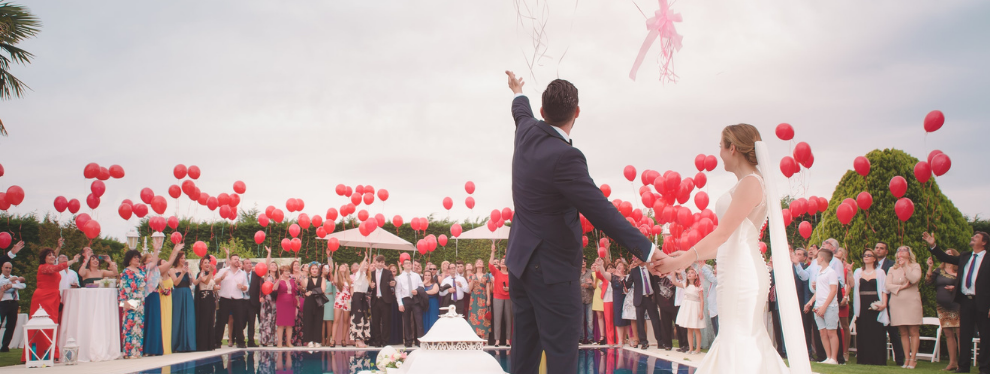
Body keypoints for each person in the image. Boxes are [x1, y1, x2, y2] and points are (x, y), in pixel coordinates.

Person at [503, 71, 661, 373]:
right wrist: (648, 251)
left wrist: (517, 90)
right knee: (562, 355)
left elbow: (519, 109)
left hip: (520, 264)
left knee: (523, 354)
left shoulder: (525, 131)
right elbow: (601, 212)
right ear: (577, 112)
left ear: (541, 111)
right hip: (552, 271)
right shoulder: (566, 157)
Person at [656, 124, 810, 374]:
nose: (719, 153)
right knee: (736, 336)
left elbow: (723, 234)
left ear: (733, 148)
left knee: (741, 337)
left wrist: (680, 262)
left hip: (743, 274)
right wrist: (684, 256)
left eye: (720, 146)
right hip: (733, 269)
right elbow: (725, 243)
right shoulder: (745, 183)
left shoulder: (751, 183)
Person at [924, 231, 989, 374]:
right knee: (965, 334)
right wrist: (933, 245)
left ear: (984, 242)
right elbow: (945, 257)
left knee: (985, 335)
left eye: (976, 237)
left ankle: (985, 368)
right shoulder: (965, 256)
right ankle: (963, 367)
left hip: (983, 301)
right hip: (966, 301)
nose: (973, 237)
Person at [886, 245, 923, 369]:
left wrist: (906, 266)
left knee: (913, 330)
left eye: (904, 250)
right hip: (897, 302)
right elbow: (887, 285)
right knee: (903, 332)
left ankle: (913, 358)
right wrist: (901, 287)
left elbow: (914, 279)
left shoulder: (915, 266)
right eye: (898, 250)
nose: (900, 252)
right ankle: (906, 358)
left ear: (909, 253)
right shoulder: (892, 268)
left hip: (911, 301)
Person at [143, 241, 182, 356]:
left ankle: (153, 349)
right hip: (145, 297)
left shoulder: (157, 270)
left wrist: (175, 251)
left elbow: (170, 263)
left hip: (154, 296)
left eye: (153, 258)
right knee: (145, 322)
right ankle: (144, 348)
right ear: (145, 261)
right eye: (150, 258)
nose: (153, 259)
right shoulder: (143, 270)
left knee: (154, 323)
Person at [852, 248, 889, 365]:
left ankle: (878, 359)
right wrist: (848, 272)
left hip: (876, 302)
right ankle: (864, 358)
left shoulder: (880, 272)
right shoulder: (858, 272)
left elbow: (884, 290)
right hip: (862, 304)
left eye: (869, 255)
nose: (866, 257)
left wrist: (883, 304)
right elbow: (852, 285)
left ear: (874, 258)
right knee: (863, 330)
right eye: (864, 255)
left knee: (877, 331)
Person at [803, 248, 839, 364]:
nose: (816, 259)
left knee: (831, 332)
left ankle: (834, 358)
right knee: (822, 332)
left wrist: (824, 306)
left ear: (822, 258)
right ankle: (828, 357)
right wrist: (810, 302)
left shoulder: (831, 272)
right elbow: (819, 290)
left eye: (818, 256)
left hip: (830, 306)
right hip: (818, 305)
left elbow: (833, 291)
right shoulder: (819, 272)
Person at [926, 250, 961, 371]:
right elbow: (928, 282)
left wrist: (955, 288)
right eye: (946, 253)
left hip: (957, 305)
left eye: (951, 253)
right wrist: (930, 267)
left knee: (960, 333)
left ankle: (962, 363)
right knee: (948, 334)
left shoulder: (960, 270)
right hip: (942, 306)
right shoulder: (938, 270)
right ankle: (952, 363)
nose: (948, 254)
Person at [874, 241, 905, 366]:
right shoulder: (870, 264)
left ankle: (900, 359)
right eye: (877, 248)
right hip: (874, 300)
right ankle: (876, 357)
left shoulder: (892, 265)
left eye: (881, 248)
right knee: (875, 331)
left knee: (892, 331)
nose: (878, 250)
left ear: (886, 251)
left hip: (889, 300)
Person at [214, 249, 249, 348]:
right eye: (235, 259)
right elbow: (214, 282)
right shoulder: (223, 271)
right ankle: (217, 342)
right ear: (230, 261)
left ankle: (240, 342)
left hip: (238, 299)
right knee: (221, 321)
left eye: (238, 259)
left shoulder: (242, 273)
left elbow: (246, 286)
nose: (237, 261)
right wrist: (221, 278)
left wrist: (242, 287)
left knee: (239, 321)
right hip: (225, 298)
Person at [628, 257, 665, 350]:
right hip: (640, 298)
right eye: (634, 258)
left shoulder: (650, 268)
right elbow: (628, 284)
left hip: (651, 297)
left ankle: (660, 341)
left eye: (637, 258)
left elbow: (657, 280)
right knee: (640, 321)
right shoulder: (634, 271)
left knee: (655, 320)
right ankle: (644, 342)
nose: (635, 259)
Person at [118, 250, 147, 359]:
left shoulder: (141, 270)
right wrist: (123, 301)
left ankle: (137, 351)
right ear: (129, 259)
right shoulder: (126, 271)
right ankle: (128, 352)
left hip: (140, 299)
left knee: (139, 325)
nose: (137, 259)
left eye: (138, 257)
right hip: (130, 298)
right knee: (129, 325)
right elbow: (123, 286)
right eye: (134, 257)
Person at [671, 266, 705, 354]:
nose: (689, 274)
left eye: (692, 273)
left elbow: (701, 299)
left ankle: (697, 348)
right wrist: (674, 272)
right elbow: (674, 282)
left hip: (695, 307)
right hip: (687, 307)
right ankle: (690, 348)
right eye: (688, 273)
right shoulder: (685, 285)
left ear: (696, 276)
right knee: (689, 328)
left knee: (696, 328)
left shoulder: (699, 286)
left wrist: (701, 311)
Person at [601, 259, 631, 347]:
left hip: (627, 299)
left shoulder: (627, 277)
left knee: (628, 319)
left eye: (621, 265)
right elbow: (603, 273)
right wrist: (601, 266)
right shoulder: (612, 277)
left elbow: (627, 288)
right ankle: (620, 340)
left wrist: (622, 278)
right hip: (617, 299)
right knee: (618, 318)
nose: (618, 266)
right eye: (618, 265)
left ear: (624, 268)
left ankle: (630, 338)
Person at [396, 259, 424, 347]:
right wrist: (400, 303)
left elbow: (421, 286)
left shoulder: (416, 276)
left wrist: (417, 290)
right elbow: (398, 291)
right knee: (407, 321)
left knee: (418, 320)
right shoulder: (399, 277)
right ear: (403, 265)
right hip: (406, 299)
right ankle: (408, 340)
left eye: (409, 263)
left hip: (415, 299)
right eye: (406, 263)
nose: (408, 265)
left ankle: (419, 340)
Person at [369, 255, 395, 347]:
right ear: (375, 262)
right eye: (378, 262)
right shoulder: (371, 273)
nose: (380, 264)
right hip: (375, 300)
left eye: (382, 262)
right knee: (375, 322)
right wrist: (370, 286)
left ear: (384, 263)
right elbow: (368, 286)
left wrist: (393, 283)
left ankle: (385, 341)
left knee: (386, 322)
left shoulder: (388, 273)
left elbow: (392, 281)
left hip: (385, 300)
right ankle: (377, 341)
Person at [489, 245, 511, 347]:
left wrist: (509, 289)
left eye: (504, 261)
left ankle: (507, 340)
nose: (502, 262)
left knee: (508, 319)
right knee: (497, 319)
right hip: (497, 297)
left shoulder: (511, 274)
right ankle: (497, 340)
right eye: (501, 261)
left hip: (508, 298)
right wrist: (492, 251)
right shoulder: (496, 272)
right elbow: (490, 264)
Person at [0, 261, 25, 352]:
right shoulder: (2, 278)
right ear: (2, 268)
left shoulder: (14, 278)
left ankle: (5, 346)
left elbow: (23, 285)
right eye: (6, 267)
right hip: (2, 303)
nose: (8, 270)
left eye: (9, 268)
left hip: (13, 303)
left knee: (11, 325)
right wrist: (9, 281)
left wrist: (11, 285)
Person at [192, 256, 216, 351]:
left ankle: (210, 344)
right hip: (203, 298)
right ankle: (203, 344)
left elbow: (212, 285)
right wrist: (211, 272)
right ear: (201, 265)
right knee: (204, 320)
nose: (207, 264)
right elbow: (205, 282)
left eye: (208, 262)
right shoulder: (200, 274)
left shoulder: (209, 274)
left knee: (211, 320)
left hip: (210, 297)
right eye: (205, 263)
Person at [302, 261, 327, 347]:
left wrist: (311, 292)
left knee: (318, 320)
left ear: (318, 270)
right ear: (310, 270)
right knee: (308, 320)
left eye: (316, 268)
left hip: (319, 302)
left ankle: (317, 341)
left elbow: (322, 290)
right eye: (312, 269)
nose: (314, 270)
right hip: (309, 302)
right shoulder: (307, 279)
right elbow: (304, 287)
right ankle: (309, 341)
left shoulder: (322, 279)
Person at [272, 264, 297, 347]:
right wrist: (279, 280)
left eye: (288, 271)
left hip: (291, 302)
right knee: (281, 323)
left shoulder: (292, 280)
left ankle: (288, 342)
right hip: (281, 302)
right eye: (285, 271)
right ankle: (279, 342)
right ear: (282, 272)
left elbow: (295, 292)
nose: (287, 272)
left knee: (290, 323)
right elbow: (274, 289)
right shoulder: (278, 280)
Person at [350, 251, 371, 348]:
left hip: (364, 298)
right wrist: (365, 258)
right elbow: (362, 267)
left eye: (367, 264)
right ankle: (357, 340)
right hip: (357, 296)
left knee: (365, 317)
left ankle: (362, 338)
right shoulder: (358, 274)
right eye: (364, 264)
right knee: (357, 317)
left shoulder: (367, 277)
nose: (366, 265)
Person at [467, 259, 491, 340]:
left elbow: (487, 288)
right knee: (474, 316)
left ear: (483, 265)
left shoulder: (486, 275)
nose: (479, 263)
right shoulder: (471, 275)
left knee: (482, 317)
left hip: (483, 297)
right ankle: (474, 337)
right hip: (474, 297)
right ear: (475, 265)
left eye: (481, 262)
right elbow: (469, 289)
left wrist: (488, 299)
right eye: (477, 262)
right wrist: (472, 280)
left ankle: (483, 338)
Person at [259, 248, 277, 347]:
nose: (274, 266)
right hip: (267, 302)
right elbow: (266, 265)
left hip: (276, 302)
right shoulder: (267, 276)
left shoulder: (278, 278)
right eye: (272, 265)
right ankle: (265, 339)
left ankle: (274, 340)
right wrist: (269, 253)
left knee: (274, 321)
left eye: (275, 265)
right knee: (266, 320)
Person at [244, 258, 262, 348]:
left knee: (252, 322)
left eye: (250, 263)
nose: (249, 265)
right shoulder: (240, 274)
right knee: (241, 323)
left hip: (253, 302)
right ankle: (239, 340)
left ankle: (251, 341)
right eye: (246, 263)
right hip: (242, 301)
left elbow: (261, 286)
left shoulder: (256, 275)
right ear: (243, 265)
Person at [331, 263, 350, 347]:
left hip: (348, 301)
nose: (343, 267)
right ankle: (333, 340)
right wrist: (335, 269)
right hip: (339, 300)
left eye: (344, 266)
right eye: (341, 266)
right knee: (336, 320)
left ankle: (343, 339)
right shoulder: (337, 278)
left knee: (346, 321)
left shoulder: (349, 279)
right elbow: (335, 281)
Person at [158, 259, 174, 355]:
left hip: (169, 300)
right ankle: (162, 346)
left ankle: (168, 346)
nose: (166, 264)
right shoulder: (159, 277)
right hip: (162, 299)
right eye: (163, 263)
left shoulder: (169, 275)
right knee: (163, 321)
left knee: (168, 322)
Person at [699, 263, 718, 336]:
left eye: (716, 269)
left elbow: (711, 277)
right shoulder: (713, 283)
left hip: (718, 311)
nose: (715, 271)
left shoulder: (719, 280)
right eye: (714, 269)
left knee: (719, 332)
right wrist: (710, 308)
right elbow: (710, 296)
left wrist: (702, 266)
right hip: (713, 310)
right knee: (716, 332)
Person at [579, 258, 594, 345]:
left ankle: (590, 338)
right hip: (580, 299)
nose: (583, 262)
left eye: (584, 260)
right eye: (582, 260)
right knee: (580, 320)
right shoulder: (576, 273)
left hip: (589, 298)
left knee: (590, 321)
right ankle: (581, 338)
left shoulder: (591, 272)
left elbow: (594, 286)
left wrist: (588, 286)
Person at [422, 269, 440, 334]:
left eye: (429, 275)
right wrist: (422, 284)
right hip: (423, 304)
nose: (427, 277)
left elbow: (434, 291)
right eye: (425, 275)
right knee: (424, 320)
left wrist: (423, 292)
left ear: (431, 276)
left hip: (433, 303)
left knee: (433, 319)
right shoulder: (421, 284)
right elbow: (417, 291)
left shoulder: (434, 284)